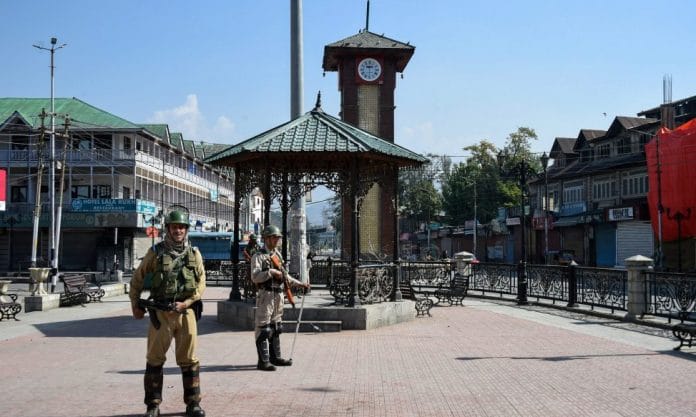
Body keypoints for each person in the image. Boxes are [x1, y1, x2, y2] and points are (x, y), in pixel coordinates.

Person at [129, 207, 206, 417]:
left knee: (190, 359)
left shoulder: (194, 253)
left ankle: (193, 403)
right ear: (168, 229)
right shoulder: (155, 253)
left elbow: (201, 283)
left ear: (186, 229)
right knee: (155, 358)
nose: (178, 230)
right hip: (161, 312)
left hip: (186, 311)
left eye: (182, 227)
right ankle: (153, 404)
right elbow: (137, 279)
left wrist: (188, 301)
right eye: (174, 227)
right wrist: (135, 305)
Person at [251, 225, 310, 371]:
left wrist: (300, 284)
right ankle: (263, 361)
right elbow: (255, 277)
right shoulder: (258, 256)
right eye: (275, 237)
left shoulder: (277, 255)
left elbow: (285, 275)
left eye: (278, 238)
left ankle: (275, 358)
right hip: (266, 295)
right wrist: (270, 272)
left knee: (276, 327)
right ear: (267, 238)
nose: (278, 240)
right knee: (263, 328)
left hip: (278, 295)